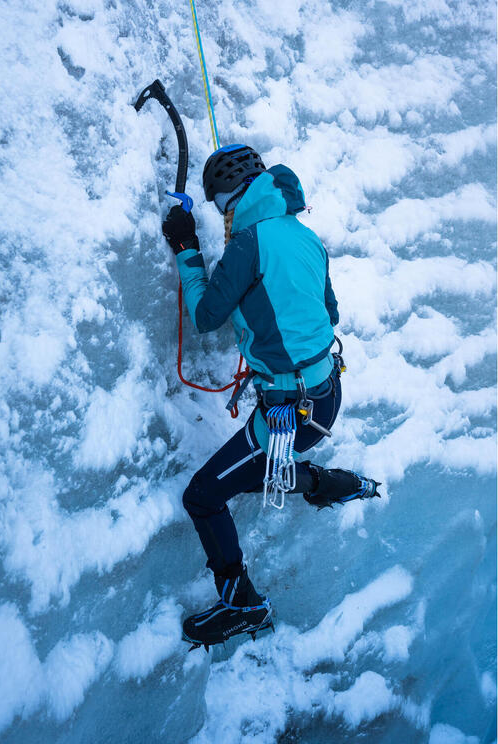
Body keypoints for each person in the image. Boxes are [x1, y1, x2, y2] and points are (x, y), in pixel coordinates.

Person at [161, 144, 381, 649]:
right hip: (324, 397)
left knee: (204, 494)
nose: (223, 219)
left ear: (230, 197)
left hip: (288, 411)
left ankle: (243, 604)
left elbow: (206, 316)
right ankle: (330, 484)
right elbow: (330, 311)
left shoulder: (248, 243)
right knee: (259, 469)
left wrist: (187, 250)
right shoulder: (307, 238)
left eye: (220, 208)